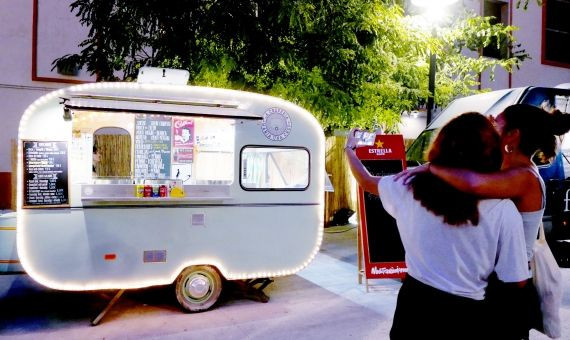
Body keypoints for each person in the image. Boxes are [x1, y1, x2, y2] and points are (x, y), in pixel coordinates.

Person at [345, 112, 529, 340]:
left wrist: (349, 151)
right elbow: (516, 279)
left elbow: (366, 180)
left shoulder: (406, 187)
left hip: (413, 309)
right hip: (468, 318)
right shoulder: (502, 209)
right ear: (491, 152)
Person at [397, 104, 570, 338]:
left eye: (496, 123)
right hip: (496, 279)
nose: (491, 126)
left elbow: (471, 183)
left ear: (513, 135)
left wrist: (433, 167)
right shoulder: (509, 168)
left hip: (509, 285)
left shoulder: (523, 177)